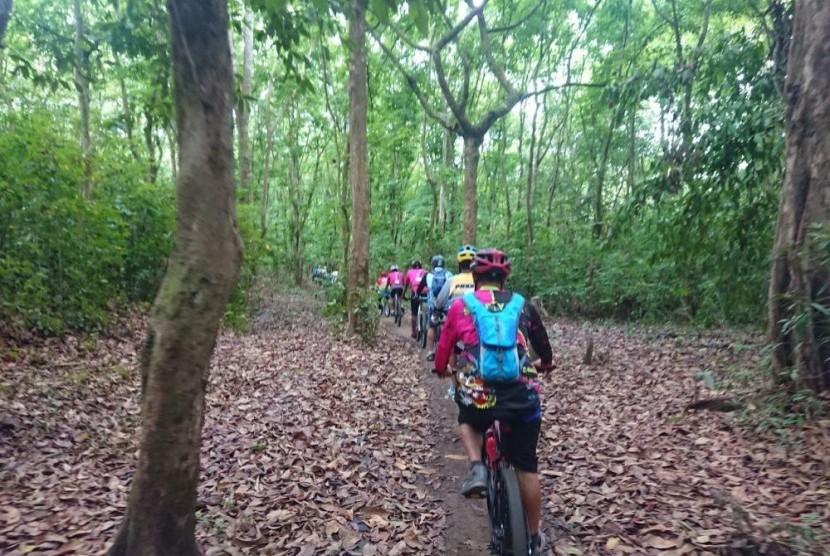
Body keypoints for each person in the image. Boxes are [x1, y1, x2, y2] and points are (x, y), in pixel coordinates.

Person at [432, 248, 554, 555]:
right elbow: (543, 344)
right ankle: (534, 537)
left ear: (475, 276)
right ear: (504, 280)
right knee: (527, 466)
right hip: (521, 394)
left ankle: (477, 469)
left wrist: (441, 369)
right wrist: (546, 364)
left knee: (468, 421)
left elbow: (443, 350)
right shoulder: (522, 304)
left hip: (479, 393)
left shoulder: (461, 306)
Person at [419, 255, 452, 360]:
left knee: (432, 327)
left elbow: (420, 288)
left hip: (433, 305)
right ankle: (446, 351)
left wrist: (417, 294)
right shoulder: (449, 274)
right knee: (446, 327)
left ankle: (430, 352)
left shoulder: (428, 275)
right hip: (446, 305)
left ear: (433, 264)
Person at [434, 244, 477, 313]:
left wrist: (437, 309)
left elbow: (440, 302)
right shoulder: (480, 280)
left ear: (459, 264)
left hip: (456, 317)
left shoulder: (451, 280)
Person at [403, 260, 428, 339]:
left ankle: (414, 332)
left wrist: (403, 295)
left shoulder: (410, 272)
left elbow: (406, 285)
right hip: (426, 292)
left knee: (414, 313)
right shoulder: (425, 271)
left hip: (415, 292)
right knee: (428, 309)